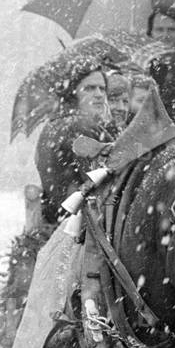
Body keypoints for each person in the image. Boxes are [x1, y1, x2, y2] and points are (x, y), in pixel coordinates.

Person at [35, 63, 114, 226]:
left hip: (59, 222)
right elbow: (103, 183)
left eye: (102, 88)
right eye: (89, 88)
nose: (99, 95)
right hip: (82, 226)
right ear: (73, 93)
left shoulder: (54, 124)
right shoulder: (78, 127)